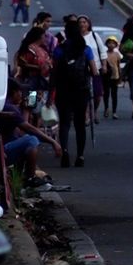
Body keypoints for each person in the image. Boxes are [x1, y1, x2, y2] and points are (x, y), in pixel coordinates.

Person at [48, 20, 97, 168]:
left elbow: (54, 72)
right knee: (80, 124)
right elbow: (94, 71)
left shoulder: (59, 50)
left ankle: (65, 151)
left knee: (64, 123)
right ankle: (80, 156)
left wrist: (51, 92)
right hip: (81, 91)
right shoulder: (86, 49)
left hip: (63, 91)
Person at [1, 79, 62, 185]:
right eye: (19, 92)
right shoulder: (10, 108)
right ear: (14, 92)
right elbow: (28, 128)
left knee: (29, 129)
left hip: (34, 90)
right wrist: (52, 141)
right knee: (31, 138)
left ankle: (20, 178)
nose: (21, 95)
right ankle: (30, 178)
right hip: (32, 90)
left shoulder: (6, 105)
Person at [78, 15, 108, 124]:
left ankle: (94, 111)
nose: (82, 24)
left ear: (88, 24)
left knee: (97, 93)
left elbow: (102, 51)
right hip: (82, 70)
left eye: (84, 22)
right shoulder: (76, 38)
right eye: (80, 22)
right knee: (85, 94)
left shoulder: (95, 36)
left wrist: (104, 65)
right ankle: (86, 115)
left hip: (96, 68)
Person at [103, 36, 122, 119]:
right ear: (106, 44)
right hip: (106, 76)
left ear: (115, 45)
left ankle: (114, 111)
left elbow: (118, 65)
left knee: (114, 95)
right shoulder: (104, 54)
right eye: (109, 43)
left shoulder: (117, 54)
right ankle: (106, 108)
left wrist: (120, 77)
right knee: (106, 94)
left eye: (113, 43)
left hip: (115, 76)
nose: (111, 45)